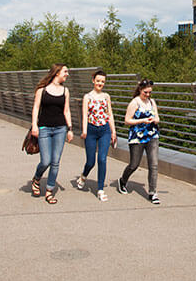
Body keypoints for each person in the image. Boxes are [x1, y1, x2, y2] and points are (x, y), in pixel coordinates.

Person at [30, 64, 73, 204]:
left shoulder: (65, 91)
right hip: (44, 128)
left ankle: (49, 190)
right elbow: (36, 108)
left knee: (55, 162)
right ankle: (37, 178)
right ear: (57, 73)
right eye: (65, 72)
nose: (67, 74)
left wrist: (70, 129)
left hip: (60, 129)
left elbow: (66, 111)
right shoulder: (42, 90)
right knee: (46, 161)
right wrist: (34, 126)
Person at [116, 78, 161, 204]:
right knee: (134, 164)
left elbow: (157, 116)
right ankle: (123, 181)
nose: (147, 95)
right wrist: (142, 120)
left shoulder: (152, 102)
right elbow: (127, 120)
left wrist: (154, 120)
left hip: (152, 135)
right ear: (140, 90)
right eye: (145, 92)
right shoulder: (134, 103)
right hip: (137, 137)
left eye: (149, 93)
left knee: (154, 164)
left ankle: (153, 192)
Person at [76, 70, 118, 201]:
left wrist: (113, 131)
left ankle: (100, 189)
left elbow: (109, 114)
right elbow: (84, 115)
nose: (100, 83)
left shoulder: (106, 96)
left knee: (102, 159)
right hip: (91, 130)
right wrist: (84, 130)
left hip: (104, 130)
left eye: (103, 81)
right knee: (90, 161)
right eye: (98, 80)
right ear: (93, 80)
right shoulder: (87, 97)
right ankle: (84, 175)